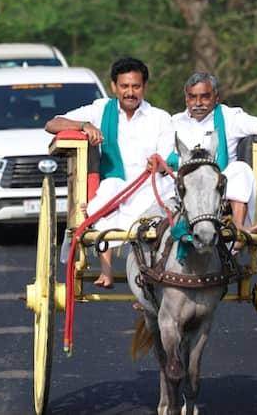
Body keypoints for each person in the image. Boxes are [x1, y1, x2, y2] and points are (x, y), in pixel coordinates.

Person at [44, 57, 175, 288]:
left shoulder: (161, 118)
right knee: (101, 205)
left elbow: (169, 158)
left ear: (144, 87)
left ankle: (150, 274)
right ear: (114, 87)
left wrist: (158, 163)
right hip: (115, 183)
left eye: (136, 86)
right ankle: (106, 271)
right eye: (124, 86)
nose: (130, 92)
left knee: (156, 213)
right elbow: (52, 123)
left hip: (150, 185)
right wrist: (84, 126)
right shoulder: (100, 110)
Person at [170, 72, 257, 250]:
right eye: (192, 97)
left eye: (205, 97)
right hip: (186, 190)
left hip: (220, 190)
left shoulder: (230, 117)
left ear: (216, 98)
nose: (198, 103)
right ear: (186, 99)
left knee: (240, 169)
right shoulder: (173, 122)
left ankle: (238, 228)